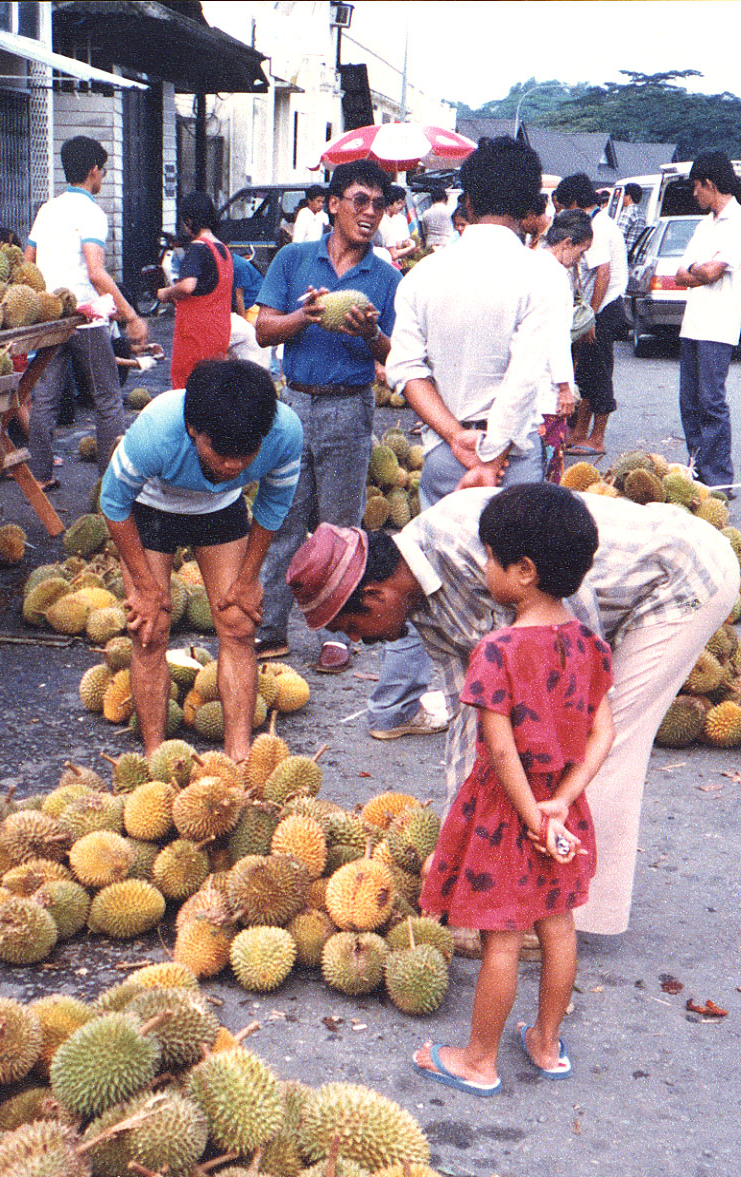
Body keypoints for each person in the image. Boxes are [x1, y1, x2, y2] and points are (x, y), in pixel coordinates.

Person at [284, 487, 739, 941]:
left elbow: (571, 658)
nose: (361, 643)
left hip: (680, 577)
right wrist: (456, 846)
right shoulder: (424, 610)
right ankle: (545, 902)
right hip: (618, 600)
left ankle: (566, 915)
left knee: (599, 744)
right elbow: (476, 721)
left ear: (375, 594)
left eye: (352, 628)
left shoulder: (465, 541)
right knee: (561, 754)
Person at [412, 485, 614, 1095]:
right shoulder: (590, 645)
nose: (482, 565)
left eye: (491, 556)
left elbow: (501, 751)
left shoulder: (495, 652)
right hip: (562, 807)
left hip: (508, 811)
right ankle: (546, 1044)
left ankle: (478, 1059)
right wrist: (560, 803)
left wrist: (529, 817)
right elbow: (604, 733)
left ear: (522, 572)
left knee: (503, 938)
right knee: (558, 924)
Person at [370, 137, 556, 741]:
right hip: (510, 467)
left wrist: (455, 439)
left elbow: (405, 368)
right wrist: (494, 453)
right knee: (519, 593)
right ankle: (509, 725)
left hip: (446, 459)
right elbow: (528, 375)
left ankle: (391, 709)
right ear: (530, 206)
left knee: (419, 577)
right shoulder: (541, 275)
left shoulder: (425, 275)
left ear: (467, 200)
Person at [98, 360, 302, 762]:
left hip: (220, 509)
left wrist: (248, 578)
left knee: (239, 624)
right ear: (194, 431)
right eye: (221, 453)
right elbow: (113, 502)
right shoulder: (156, 431)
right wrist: (147, 587)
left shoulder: (284, 433)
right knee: (150, 629)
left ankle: (239, 754)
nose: (232, 466)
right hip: (152, 507)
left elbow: (273, 506)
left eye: (246, 454)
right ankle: (158, 755)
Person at [253, 159, 400, 673]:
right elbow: (263, 331)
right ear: (334, 204)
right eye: (360, 200)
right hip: (293, 404)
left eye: (379, 204)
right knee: (282, 522)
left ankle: (341, 634)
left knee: (340, 527)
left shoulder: (384, 277)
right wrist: (303, 317)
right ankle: (269, 626)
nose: (371, 212)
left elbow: (394, 356)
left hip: (349, 406)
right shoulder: (293, 260)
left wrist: (368, 336)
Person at [25, 135, 147, 485]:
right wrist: (131, 316)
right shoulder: (91, 213)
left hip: (51, 316)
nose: (103, 176)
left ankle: (41, 475)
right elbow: (96, 272)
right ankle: (110, 481)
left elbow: (27, 262)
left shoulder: (47, 210)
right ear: (93, 170)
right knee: (107, 398)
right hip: (86, 316)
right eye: (102, 170)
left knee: (45, 397)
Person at [674, 151, 741, 490]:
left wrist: (700, 271)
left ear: (710, 184)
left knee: (711, 403)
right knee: (689, 401)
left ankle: (719, 479)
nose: (694, 194)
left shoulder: (738, 224)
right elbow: (680, 274)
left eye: (696, 187)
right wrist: (700, 271)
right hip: (693, 324)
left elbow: (712, 273)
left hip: (718, 325)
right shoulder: (704, 225)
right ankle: (696, 471)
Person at [554, 173, 628, 458]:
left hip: (605, 307)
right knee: (585, 370)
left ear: (573, 202)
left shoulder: (597, 227)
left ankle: (597, 438)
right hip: (596, 307)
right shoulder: (593, 222)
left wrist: (591, 317)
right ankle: (579, 432)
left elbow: (603, 273)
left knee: (598, 372)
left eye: (562, 207)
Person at [535, 210, 593, 482]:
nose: (578, 261)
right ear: (567, 242)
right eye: (580, 252)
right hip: (547, 391)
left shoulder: (531, 262)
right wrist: (564, 389)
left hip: (524, 385)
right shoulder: (557, 276)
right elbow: (556, 336)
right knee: (546, 472)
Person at [158, 193, 234, 390]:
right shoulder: (223, 249)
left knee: (188, 388)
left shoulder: (197, 248)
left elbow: (187, 286)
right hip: (219, 332)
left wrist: (166, 293)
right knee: (212, 387)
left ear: (189, 220)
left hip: (196, 334)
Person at [377, 186, 416, 266]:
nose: (401, 206)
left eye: (402, 203)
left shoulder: (399, 219)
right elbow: (393, 255)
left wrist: (404, 244)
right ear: (389, 204)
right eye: (398, 203)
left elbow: (392, 243)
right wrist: (411, 248)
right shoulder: (385, 222)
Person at [617, 182, 646, 252]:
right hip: (635, 254)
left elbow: (619, 237)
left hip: (625, 254)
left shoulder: (627, 212)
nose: (622, 197)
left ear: (629, 197)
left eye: (623, 195)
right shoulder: (640, 212)